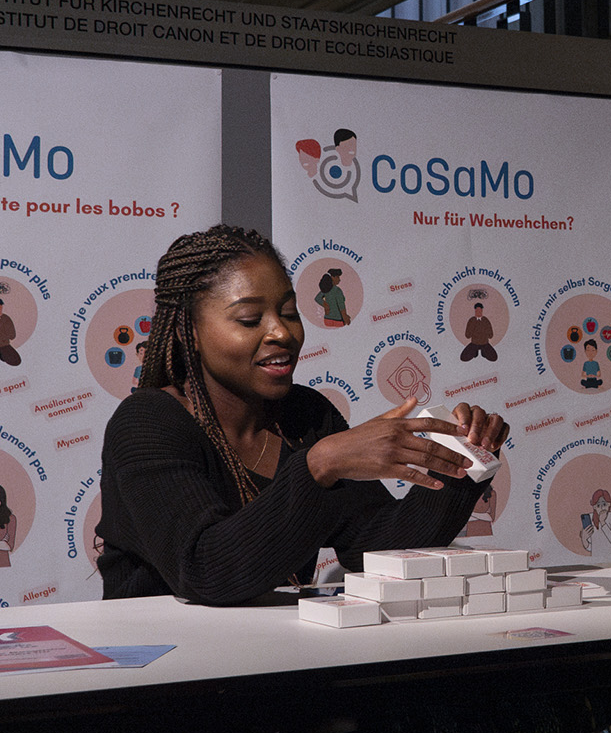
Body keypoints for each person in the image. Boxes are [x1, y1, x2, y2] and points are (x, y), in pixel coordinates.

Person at [97, 224, 507, 602]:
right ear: (191, 331)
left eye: (290, 313)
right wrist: (321, 463)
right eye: (249, 318)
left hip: (278, 660)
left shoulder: (306, 415)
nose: (282, 333)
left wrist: (462, 464)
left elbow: (376, 548)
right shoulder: (146, 422)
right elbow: (204, 570)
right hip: (167, 667)